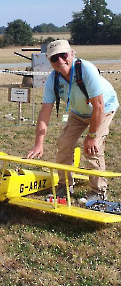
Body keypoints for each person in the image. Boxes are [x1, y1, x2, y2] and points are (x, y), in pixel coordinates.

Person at [26, 40, 119, 202]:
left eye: (63, 55)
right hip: (78, 111)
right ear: (49, 61)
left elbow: (98, 105)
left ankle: (98, 191)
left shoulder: (86, 69)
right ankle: (64, 185)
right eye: (54, 58)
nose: (60, 60)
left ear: (72, 54)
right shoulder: (52, 80)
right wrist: (38, 143)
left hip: (104, 108)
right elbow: (44, 113)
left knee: (92, 148)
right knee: (64, 143)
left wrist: (91, 136)